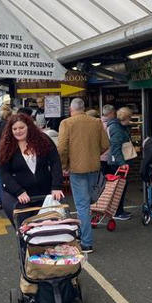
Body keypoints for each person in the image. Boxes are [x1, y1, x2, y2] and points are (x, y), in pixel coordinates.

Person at [57, 98, 110, 253]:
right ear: (84, 108)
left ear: (71, 110)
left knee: (82, 206)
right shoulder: (96, 122)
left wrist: (64, 165)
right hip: (94, 167)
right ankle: (84, 235)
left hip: (77, 169)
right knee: (89, 202)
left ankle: (86, 242)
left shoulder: (66, 123)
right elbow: (106, 144)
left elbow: (62, 148)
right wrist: (94, 154)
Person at [0, 113, 64, 225]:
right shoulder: (7, 146)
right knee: (25, 228)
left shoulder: (43, 140)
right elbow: (4, 173)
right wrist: (18, 191)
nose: (18, 131)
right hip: (19, 197)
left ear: (29, 126)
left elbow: (55, 163)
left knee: (48, 227)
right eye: (14, 129)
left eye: (21, 127)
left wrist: (56, 186)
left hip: (44, 192)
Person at [106, 106, 134, 220]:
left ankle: (119, 210)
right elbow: (116, 148)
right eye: (129, 118)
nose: (130, 120)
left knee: (119, 187)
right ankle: (117, 212)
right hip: (117, 162)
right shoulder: (117, 129)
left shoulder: (116, 126)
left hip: (115, 161)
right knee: (119, 188)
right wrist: (122, 163)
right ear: (125, 118)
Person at [99, 104, 115, 173]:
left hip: (99, 157)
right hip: (110, 157)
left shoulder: (97, 123)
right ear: (110, 113)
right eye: (114, 113)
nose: (115, 115)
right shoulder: (112, 126)